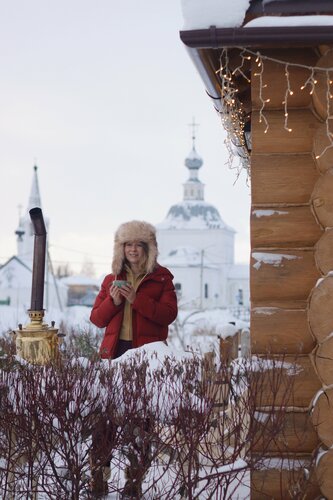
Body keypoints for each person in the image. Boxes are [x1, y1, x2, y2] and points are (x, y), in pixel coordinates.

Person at [90, 220, 178, 359]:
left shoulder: (162, 278)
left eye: (139, 245)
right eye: (129, 245)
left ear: (148, 248)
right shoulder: (111, 279)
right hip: (115, 349)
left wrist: (136, 300)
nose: (133, 250)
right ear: (121, 249)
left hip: (150, 350)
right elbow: (96, 320)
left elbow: (169, 315)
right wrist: (113, 302)